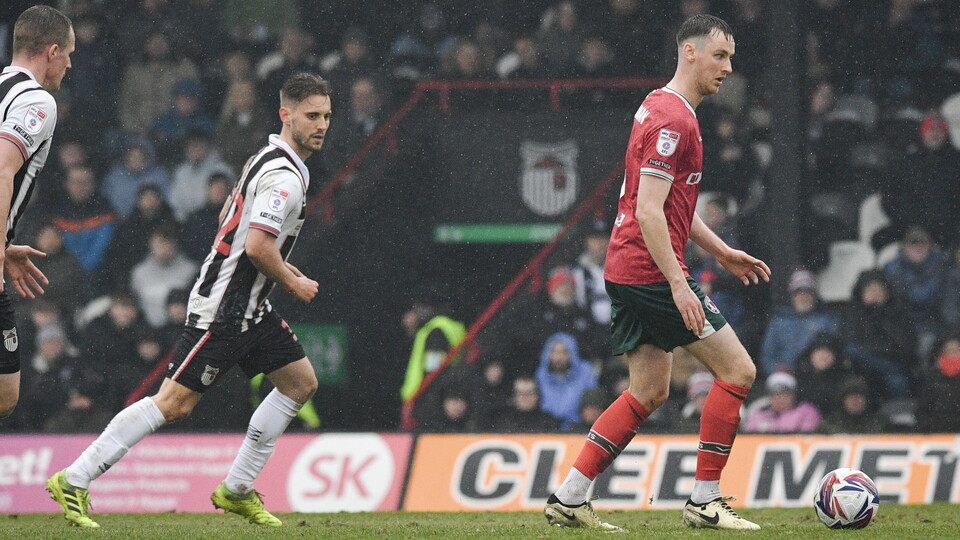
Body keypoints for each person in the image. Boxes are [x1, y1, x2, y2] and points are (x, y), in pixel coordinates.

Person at [47, 73, 332, 529]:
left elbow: (229, 219)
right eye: (312, 115)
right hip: (225, 308)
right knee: (173, 403)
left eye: (326, 116)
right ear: (286, 114)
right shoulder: (285, 176)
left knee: (299, 383)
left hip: (251, 307)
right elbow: (257, 247)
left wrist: (279, 268)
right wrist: (292, 282)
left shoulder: (268, 156)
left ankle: (237, 489)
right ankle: (75, 479)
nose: (322, 125)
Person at [544, 15, 768, 531]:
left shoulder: (658, 104)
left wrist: (722, 251)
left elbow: (672, 208)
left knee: (649, 391)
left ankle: (571, 495)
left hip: (626, 266)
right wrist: (676, 283)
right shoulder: (676, 121)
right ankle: (705, 500)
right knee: (738, 371)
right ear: (689, 52)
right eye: (719, 56)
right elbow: (649, 212)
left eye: (731, 58)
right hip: (649, 270)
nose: (728, 68)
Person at [0, 6, 74, 420]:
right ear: (51, 51)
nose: (70, 63)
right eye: (68, 53)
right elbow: (2, 168)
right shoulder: (37, 101)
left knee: (5, 394)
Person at [742, 371, 821, 434]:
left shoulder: (806, 411)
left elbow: (807, 437)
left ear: (792, 395)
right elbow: (748, 436)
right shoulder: (759, 413)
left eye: (784, 394)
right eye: (775, 394)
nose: (779, 398)